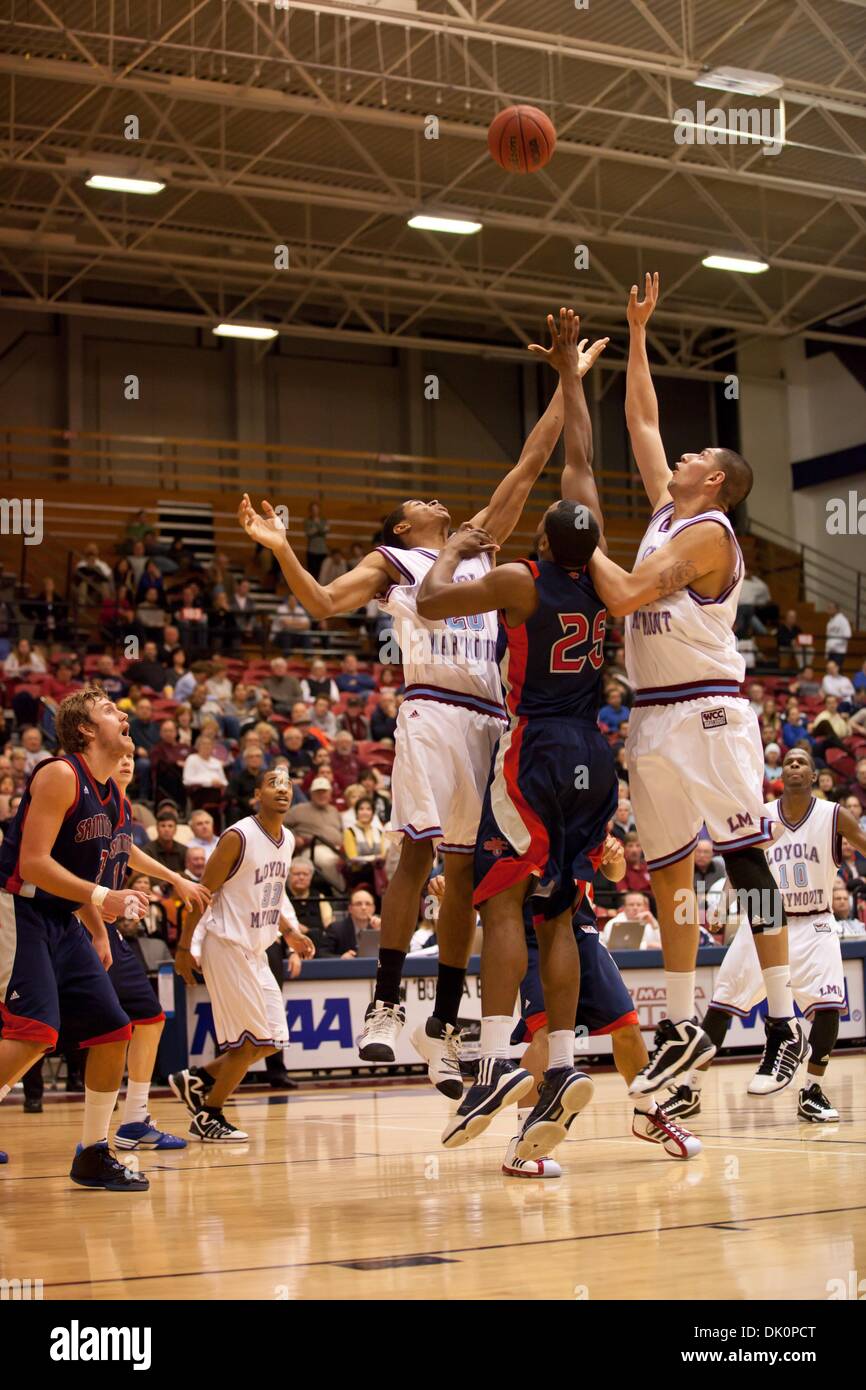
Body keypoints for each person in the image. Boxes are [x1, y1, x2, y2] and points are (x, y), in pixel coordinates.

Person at [238, 330, 576, 1097]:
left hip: (491, 719)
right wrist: (282, 547)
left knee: (466, 875)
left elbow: (532, 458)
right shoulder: (395, 563)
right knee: (419, 854)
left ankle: (446, 1026)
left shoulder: (478, 549)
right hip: (432, 711)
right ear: (401, 528)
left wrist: (567, 378)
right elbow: (322, 604)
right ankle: (387, 1002)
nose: (435, 499)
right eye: (419, 501)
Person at [587, 272, 805, 1096]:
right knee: (670, 872)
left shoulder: (709, 535)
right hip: (650, 716)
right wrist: (639, 330)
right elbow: (640, 420)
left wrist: (578, 547)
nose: (679, 455)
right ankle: (681, 1024)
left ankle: (781, 1024)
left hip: (709, 711)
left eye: (695, 456)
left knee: (746, 864)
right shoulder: (664, 513)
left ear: (714, 481)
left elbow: (633, 592)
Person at [417, 308, 618, 1151]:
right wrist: (572, 375)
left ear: (539, 537)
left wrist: (454, 547)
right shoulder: (606, 578)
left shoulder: (518, 580)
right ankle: (563, 1058)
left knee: (501, 899)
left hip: (532, 749)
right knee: (562, 913)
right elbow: (579, 458)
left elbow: (429, 605)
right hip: (596, 758)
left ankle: (498, 1059)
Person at [663, 747, 866, 1123]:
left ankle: (811, 1090)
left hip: (816, 921)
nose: (793, 765)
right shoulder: (760, 816)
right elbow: (741, 868)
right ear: (780, 773)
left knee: (828, 1006)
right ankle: (690, 1089)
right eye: (788, 760)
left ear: (814, 775)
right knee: (721, 1005)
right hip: (764, 919)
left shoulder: (835, 816)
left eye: (802, 761)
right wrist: (722, 910)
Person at [0, 689, 152, 1187]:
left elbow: (75, 871)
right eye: (109, 710)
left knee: (113, 1030)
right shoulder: (60, 774)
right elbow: (34, 864)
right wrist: (103, 896)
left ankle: (92, 1152)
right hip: (17, 908)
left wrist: (97, 928)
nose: (123, 713)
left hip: (62, 919)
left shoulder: (112, 795)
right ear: (85, 730)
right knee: (33, 1033)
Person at [502, 835, 699, 1177]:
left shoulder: (588, 805)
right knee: (545, 1033)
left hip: (583, 930)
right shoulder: (524, 805)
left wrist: (615, 855)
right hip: (532, 930)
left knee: (626, 1026)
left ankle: (647, 1113)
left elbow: (615, 870)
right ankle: (524, 1140)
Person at [169, 768, 314, 1141]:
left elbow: (271, 894)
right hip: (227, 945)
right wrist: (185, 947)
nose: (282, 789)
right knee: (250, 1042)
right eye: (273, 783)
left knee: (269, 1042)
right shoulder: (239, 836)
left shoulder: (289, 840)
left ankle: (197, 1079)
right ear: (256, 794)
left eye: (287, 784)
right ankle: (209, 1115)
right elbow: (202, 894)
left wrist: (290, 931)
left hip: (258, 949)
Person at [88, 753, 211, 1151]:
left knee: (149, 1017)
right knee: (37, 1030)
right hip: (75, 922)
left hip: (102, 925)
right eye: (119, 755)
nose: (125, 761)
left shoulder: (122, 808)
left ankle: (135, 1118)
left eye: (130, 757)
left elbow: (129, 853)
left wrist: (175, 877)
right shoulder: (91, 800)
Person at [283, 777, 345, 890]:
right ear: (311, 793)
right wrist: (294, 837)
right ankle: (341, 894)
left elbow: (341, 831)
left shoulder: (334, 811)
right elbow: (281, 825)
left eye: (324, 792)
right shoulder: (299, 810)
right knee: (329, 862)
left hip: (337, 848)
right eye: (318, 792)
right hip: (314, 848)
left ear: (330, 793)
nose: (321, 795)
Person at [304, 501, 329, 580]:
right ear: (310, 510)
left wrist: (316, 527)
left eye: (316, 509)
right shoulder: (307, 521)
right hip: (312, 549)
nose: (315, 511)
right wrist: (320, 529)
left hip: (322, 549)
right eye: (313, 509)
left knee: (322, 572)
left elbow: (326, 531)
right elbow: (309, 533)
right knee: (311, 571)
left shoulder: (323, 520)